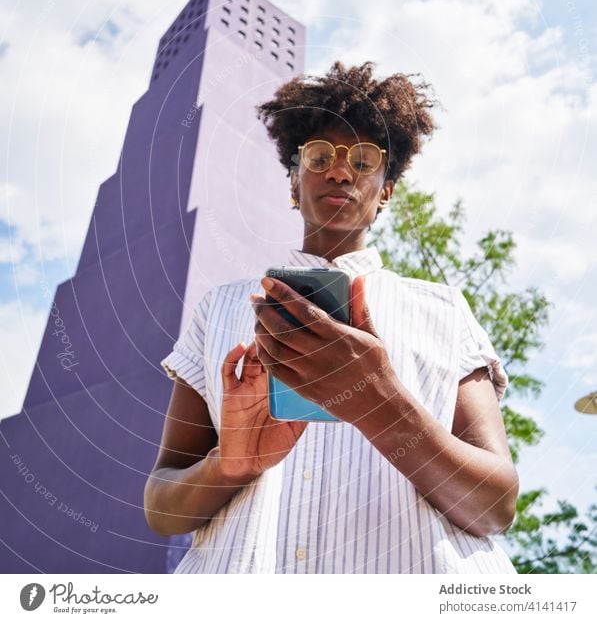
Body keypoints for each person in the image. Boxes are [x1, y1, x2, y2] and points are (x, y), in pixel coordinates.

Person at [144, 61, 519, 574]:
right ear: (294, 181)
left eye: (364, 161)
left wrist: (378, 401)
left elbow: (496, 507)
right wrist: (229, 465)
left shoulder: (445, 311)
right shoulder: (221, 308)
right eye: (319, 157)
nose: (340, 171)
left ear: (386, 190)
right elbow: (161, 508)